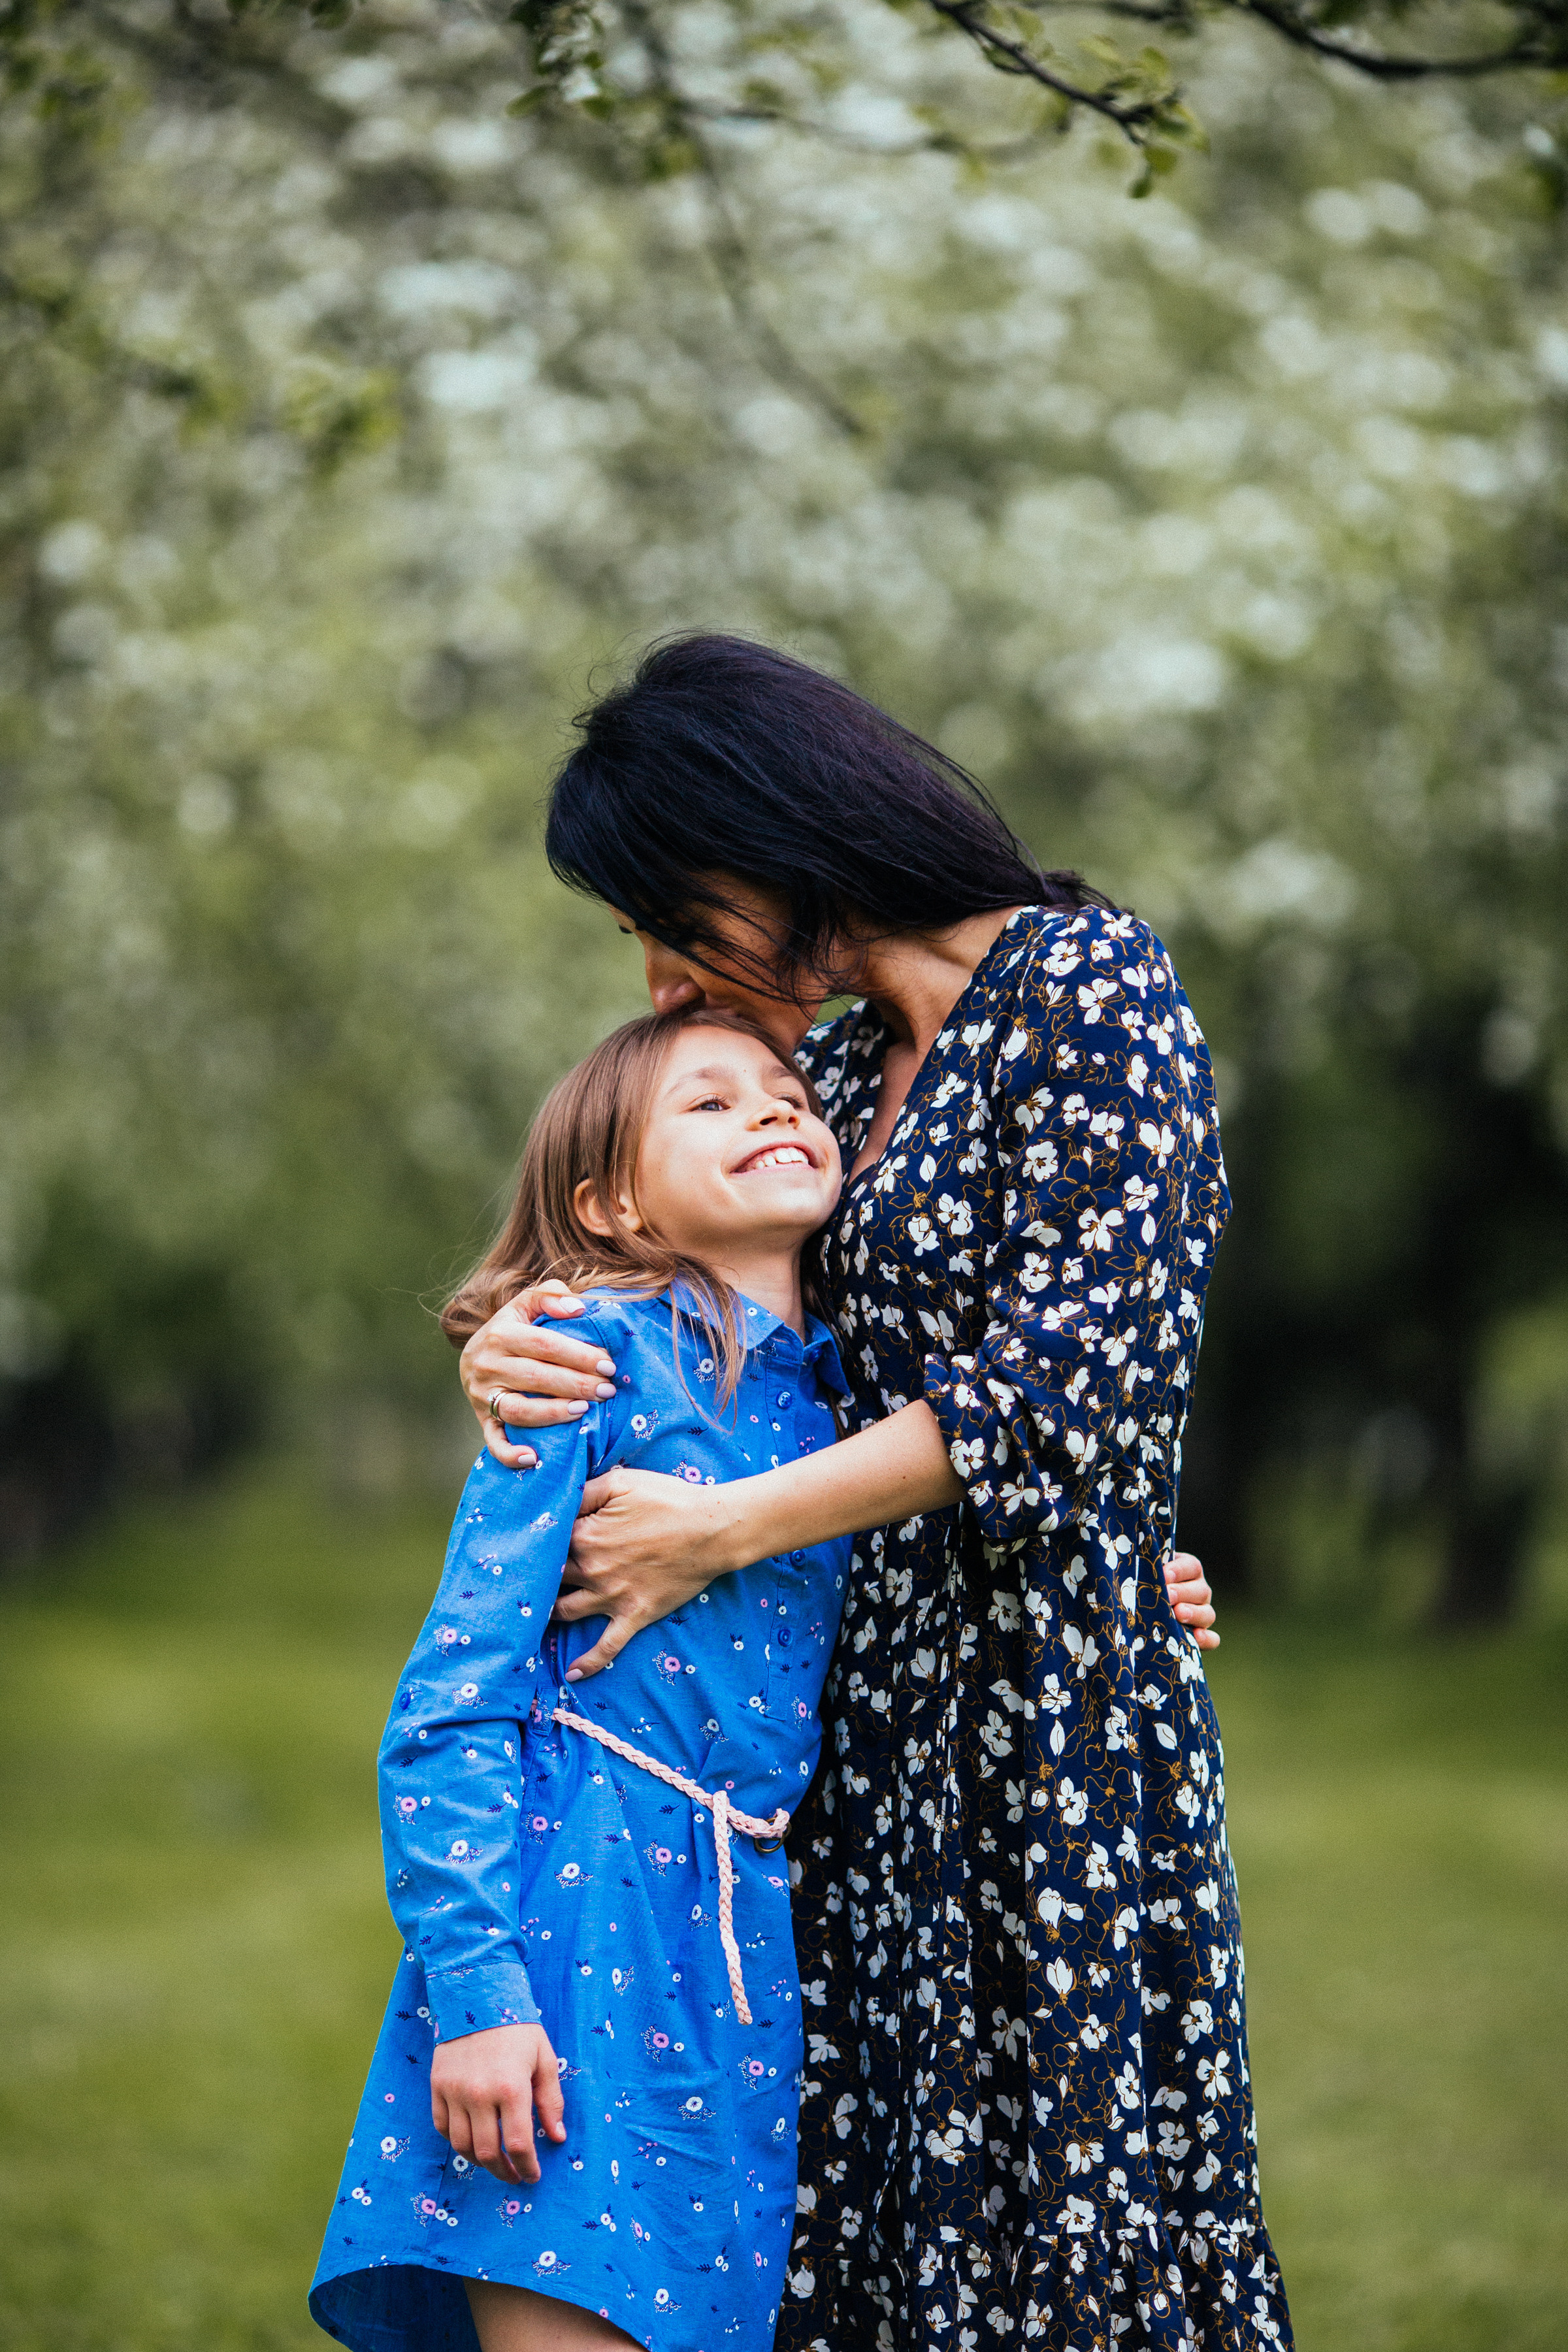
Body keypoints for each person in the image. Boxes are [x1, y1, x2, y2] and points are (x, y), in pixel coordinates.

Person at [457, 637, 1293, 2351]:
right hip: (842, 1729)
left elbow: (1066, 1382)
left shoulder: (1089, 989)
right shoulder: (828, 1080)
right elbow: (733, 1347)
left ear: (758, 843)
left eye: (664, 915)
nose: (663, 973)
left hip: (1045, 1737)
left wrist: (722, 1536)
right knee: (870, 2223)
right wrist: (509, 1342)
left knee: (1055, 2204)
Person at [310, 1005, 862, 2352]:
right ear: (611, 1203)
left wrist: (1144, 1585)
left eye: (789, 1091)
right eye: (714, 1105)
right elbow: (456, 1699)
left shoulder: (846, 1406)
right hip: (573, 1926)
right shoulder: (586, 1361)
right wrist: (480, 1995)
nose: (778, 1111)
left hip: (742, 1953)